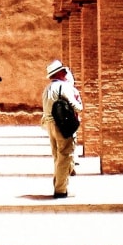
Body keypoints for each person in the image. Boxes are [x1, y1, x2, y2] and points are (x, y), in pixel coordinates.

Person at [41, 59, 83, 198]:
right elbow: (78, 107)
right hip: (61, 125)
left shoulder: (47, 89)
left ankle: (60, 183)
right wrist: (78, 103)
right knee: (65, 155)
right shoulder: (63, 87)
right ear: (59, 73)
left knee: (57, 156)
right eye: (64, 71)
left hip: (49, 124)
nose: (66, 73)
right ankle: (60, 190)